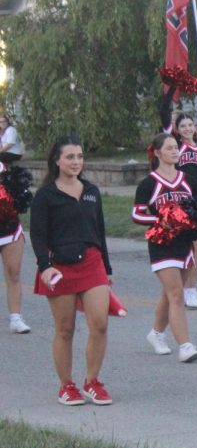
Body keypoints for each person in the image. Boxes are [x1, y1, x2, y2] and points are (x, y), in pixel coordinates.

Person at [30, 135, 114, 405]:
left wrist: (107, 267)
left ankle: (92, 381)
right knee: (65, 329)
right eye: (70, 157)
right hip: (59, 267)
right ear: (56, 160)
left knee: (100, 324)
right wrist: (45, 266)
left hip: (92, 262)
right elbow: (38, 236)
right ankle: (66, 386)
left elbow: (99, 232)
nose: (76, 161)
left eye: (79, 156)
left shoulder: (91, 191)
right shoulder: (46, 195)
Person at [131, 132, 197, 364]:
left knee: (170, 292)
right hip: (161, 244)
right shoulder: (149, 183)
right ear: (158, 153)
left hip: (184, 243)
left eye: (176, 147)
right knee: (176, 294)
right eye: (169, 148)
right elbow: (137, 213)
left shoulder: (187, 179)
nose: (174, 151)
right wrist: (160, 220)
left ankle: (156, 334)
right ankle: (185, 345)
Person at [158, 97, 197, 308]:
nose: (187, 128)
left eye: (190, 125)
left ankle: (190, 287)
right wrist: (169, 93)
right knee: (192, 244)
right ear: (177, 130)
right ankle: (183, 287)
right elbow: (164, 118)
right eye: (183, 126)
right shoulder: (176, 146)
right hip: (181, 199)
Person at [0, 159, 30, 334]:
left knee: (14, 272)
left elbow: (21, 201)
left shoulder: (7, 171)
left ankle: (16, 318)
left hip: (9, 229)